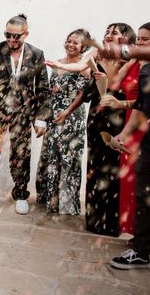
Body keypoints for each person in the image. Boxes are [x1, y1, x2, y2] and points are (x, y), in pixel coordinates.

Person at [55, 23, 136, 236]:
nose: (109, 35)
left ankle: (111, 223)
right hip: (95, 116)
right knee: (94, 165)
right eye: (107, 32)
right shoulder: (97, 54)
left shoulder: (129, 59)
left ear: (126, 38)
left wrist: (109, 77)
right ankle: (94, 220)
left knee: (111, 167)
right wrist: (67, 111)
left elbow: (120, 88)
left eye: (115, 33)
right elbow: (84, 83)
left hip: (116, 116)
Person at [0, 14, 51, 214]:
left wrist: (41, 118)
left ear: (26, 34)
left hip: (24, 112)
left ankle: (20, 193)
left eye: (16, 36)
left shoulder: (36, 54)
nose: (11, 40)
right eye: (8, 35)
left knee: (21, 153)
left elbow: (43, 88)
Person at [99, 33, 150, 269]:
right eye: (138, 39)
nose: (140, 43)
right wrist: (124, 134)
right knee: (142, 192)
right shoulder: (144, 70)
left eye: (145, 40)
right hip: (146, 138)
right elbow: (141, 107)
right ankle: (141, 249)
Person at [36, 29, 90, 215]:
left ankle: (68, 203)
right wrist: (44, 118)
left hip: (72, 117)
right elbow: (50, 92)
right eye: (69, 41)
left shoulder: (84, 66)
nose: (70, 45)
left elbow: (83, 95)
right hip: (54, 116)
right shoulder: (57, 62)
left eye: (75, 43)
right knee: (53, 156)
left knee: (69, 157)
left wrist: (67, 112)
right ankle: (51, 200)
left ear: (83, 47)